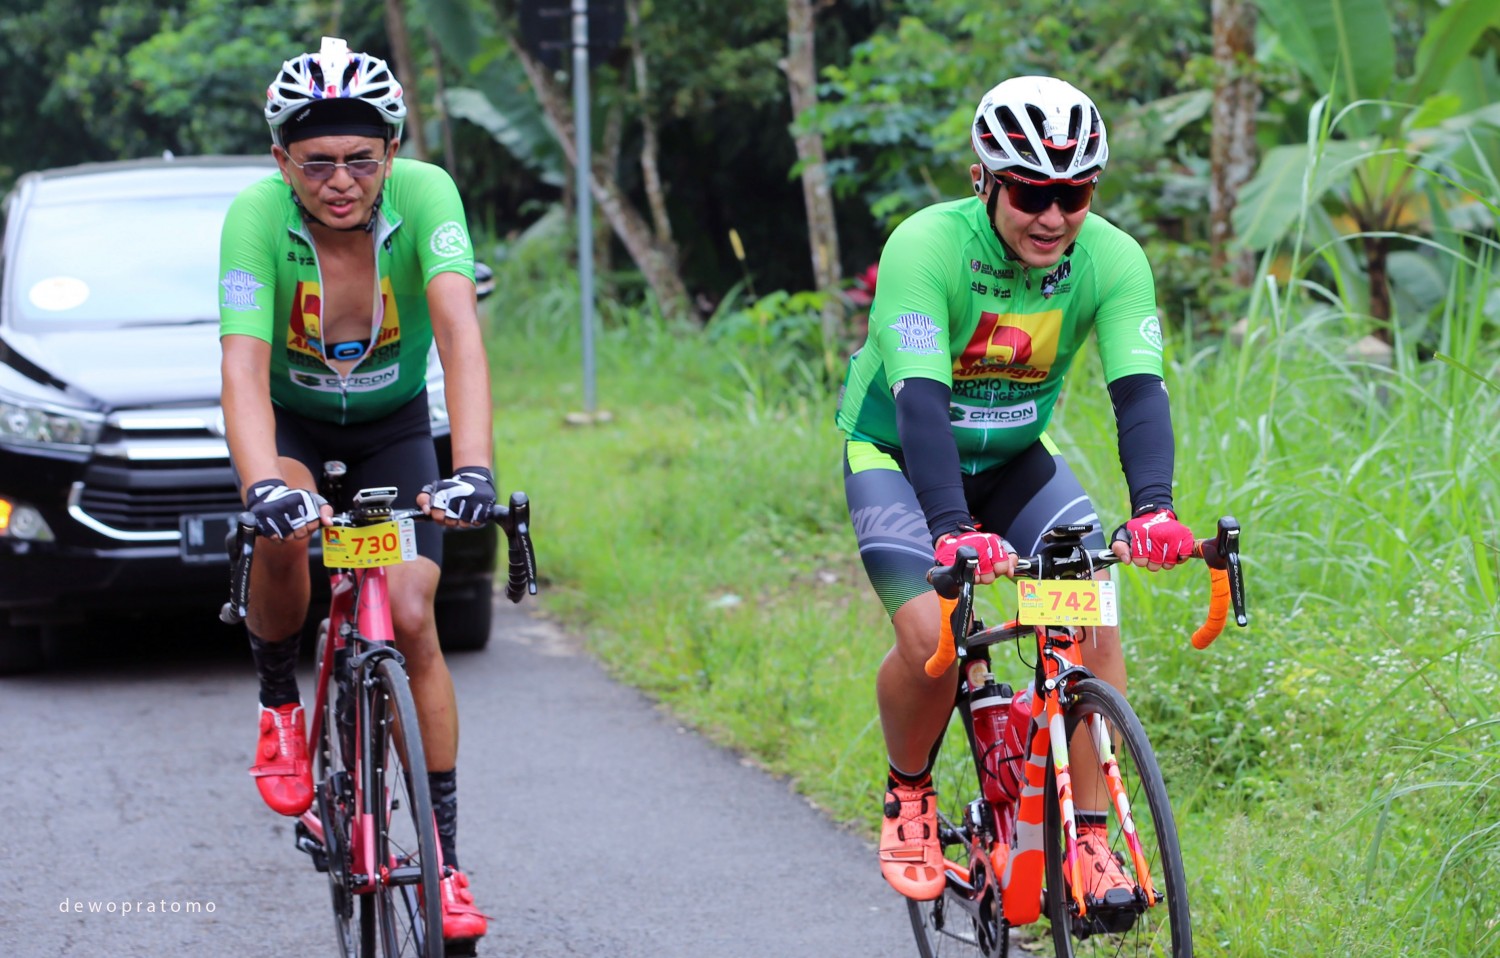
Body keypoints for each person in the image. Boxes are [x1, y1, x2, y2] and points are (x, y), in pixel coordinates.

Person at [835, 76, 1196, 907]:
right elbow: (920, 400)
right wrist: (952, 527)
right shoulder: (926, 247)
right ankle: (909, 791)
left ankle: (1090, 840)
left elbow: (1140, 393)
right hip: (896, 452)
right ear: (984, 181)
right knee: (933, 639)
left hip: (1014, 458)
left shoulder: (1111, 258)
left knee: (1089, 615)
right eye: (1032, 193)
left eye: (1075, 194)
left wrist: (1155, 509)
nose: (1054, 216)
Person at [218, 36, 493, 947]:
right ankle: (279, 704)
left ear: (393, 152)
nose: (341, 180)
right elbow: (242, 367)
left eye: (361, 159)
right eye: (317, 162)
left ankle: (445, 861)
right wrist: (264, 485)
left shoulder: (427, 195)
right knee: (285, 537)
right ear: (281, 161)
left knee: (412, 615)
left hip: (393, 425)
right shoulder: (256, 216)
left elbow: (458, 331)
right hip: (292, 423)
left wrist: (474, 469)